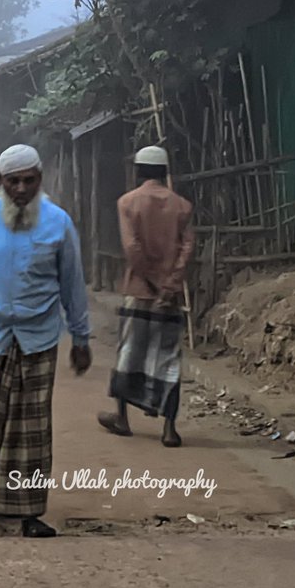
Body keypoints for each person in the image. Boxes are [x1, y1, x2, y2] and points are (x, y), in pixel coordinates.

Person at [0, 144, 91, 539]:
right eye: (14, 181)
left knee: (31, 429)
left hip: (39, 338)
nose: (22, 189)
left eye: (29, 180)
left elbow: (72, 284)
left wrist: (81, 337)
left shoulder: (59, 224)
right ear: (0, 182)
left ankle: (28, 511)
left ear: (39, 180)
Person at [98, 145, 195, 448]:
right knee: (168, 358)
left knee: (129, 353)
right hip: (170, 296)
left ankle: (123, 418)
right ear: (164, 172)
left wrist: (151, 284)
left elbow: (132, 248)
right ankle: (169, 428)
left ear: (138, 171)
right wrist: (169, 285)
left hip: (139, 290)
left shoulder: (127, 202)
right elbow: (186, 249)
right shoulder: (183, 206)